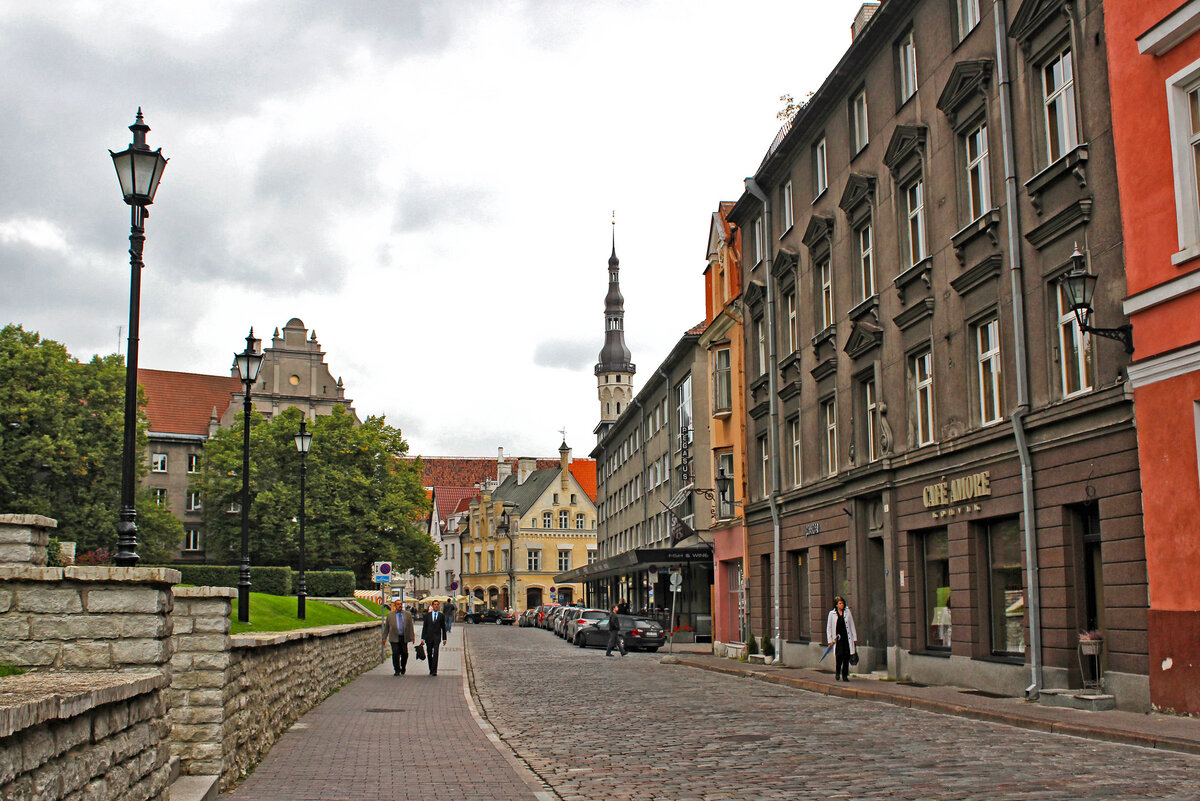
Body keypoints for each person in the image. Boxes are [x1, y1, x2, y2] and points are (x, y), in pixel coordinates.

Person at [825, 595, 858, 681]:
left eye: (843, 603)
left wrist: (854, 637)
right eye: (840, 603)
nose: (842, 605)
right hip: (838, 639)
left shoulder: (847, 612)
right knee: (839, 656)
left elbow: (851, 625)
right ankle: (837, 672)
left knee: (846, 657)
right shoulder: (832, 614)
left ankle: (845, 675)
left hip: (847, 638)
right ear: (836, 605)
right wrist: (830, 640)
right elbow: (829, 628)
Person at [381, 600, 415, 676]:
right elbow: (386, 627)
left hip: (404, 637)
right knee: (395, 653)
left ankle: (403, 667)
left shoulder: (407, 614)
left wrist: (412, 637)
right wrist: (384, 637)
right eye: (398, 604)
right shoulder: (390, 615)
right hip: (394, 637)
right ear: (395, 606)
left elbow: (410, 626)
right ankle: (397, 669)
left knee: (404, 654)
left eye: (400, 604)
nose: (400, 605)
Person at [420, 599, 450, 676]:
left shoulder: (441, 615)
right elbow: (425, 627)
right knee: (429, 653)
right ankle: (431, 668)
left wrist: (444, 638)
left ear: (439, 606)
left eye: (437, 604)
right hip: (428, 637)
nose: (436, 606)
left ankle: (434, 670)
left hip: (437, 637)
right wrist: (422, 638)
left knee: (436, 653)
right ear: (432, 606)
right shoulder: (427, 615)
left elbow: (443, 628)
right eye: (435, 604)